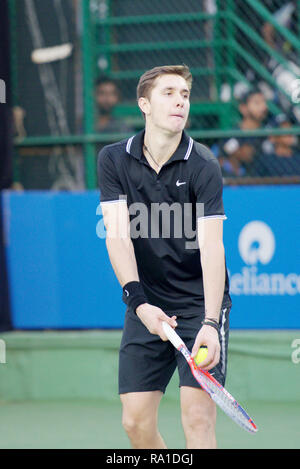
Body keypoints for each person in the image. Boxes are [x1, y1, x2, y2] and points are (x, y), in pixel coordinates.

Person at [97, 65, 232, 449]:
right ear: (144, 104)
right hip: (147, 302)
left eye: (185, 95)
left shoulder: (203, 164)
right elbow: (118, 237)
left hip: (197, 304)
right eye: (168, 93)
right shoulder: (113, 160)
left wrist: (209, 320)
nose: (179, 101)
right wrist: (139, 305)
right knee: (135, 423)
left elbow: (212, 247)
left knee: (197, 418)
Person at [218, 88, 268, 177]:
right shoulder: (232, 134)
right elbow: (221, 158)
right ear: (243, 108)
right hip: (237, 183)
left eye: (264, 102)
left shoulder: (268, 133)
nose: (263, 107)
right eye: (257, 103)